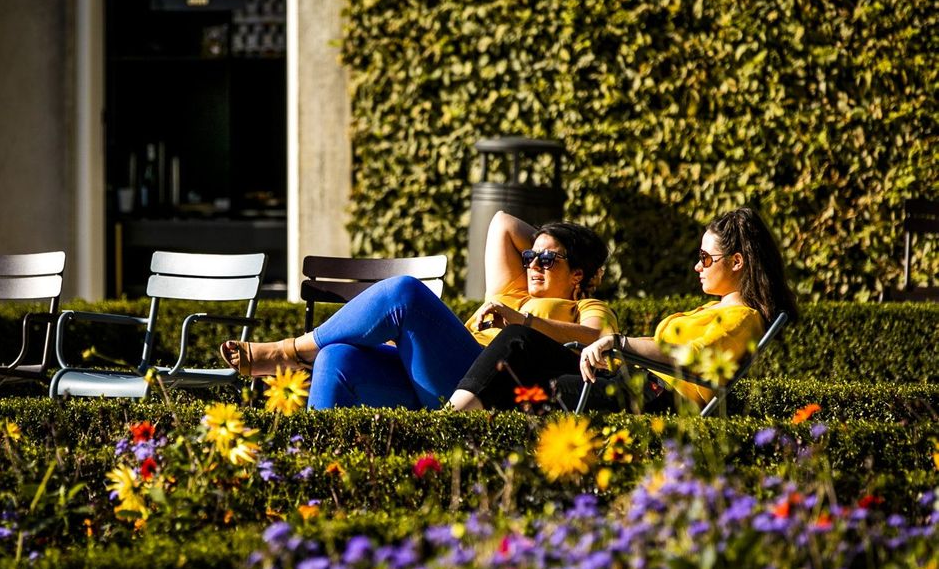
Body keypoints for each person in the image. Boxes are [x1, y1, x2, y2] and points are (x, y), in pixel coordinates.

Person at [218, 211, 618, 409]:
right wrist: (554, 246)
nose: (532, 264)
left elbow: (598, 339)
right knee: (337, 357)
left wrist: (524, 320)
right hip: (434, 380)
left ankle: (288, 352)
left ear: (578, 275)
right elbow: (501, 223)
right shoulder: (512, 288)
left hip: (484, 384)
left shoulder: (584, 304)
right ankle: (311, 470)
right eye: (530, 256)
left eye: (547, 262)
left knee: (405, 293)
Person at [448, 207, 798, 413]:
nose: (698, 266)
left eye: (706, 258)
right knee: (520, 340)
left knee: (520, 350)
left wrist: (618, 342)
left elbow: (689, 356)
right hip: (629, 379)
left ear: (737, 262)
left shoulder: (742, 318)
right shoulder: (713, 309)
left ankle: (452, 419)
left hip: (651, 393)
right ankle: (456, 415)